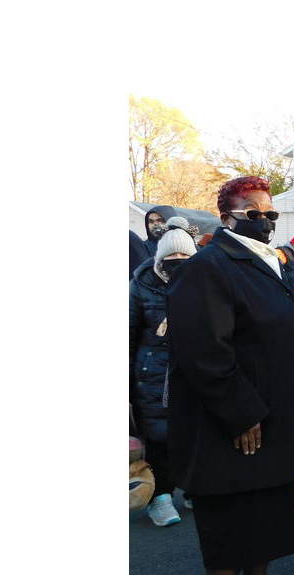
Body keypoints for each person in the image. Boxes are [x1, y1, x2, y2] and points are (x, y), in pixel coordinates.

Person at [166, 176, 294, 575]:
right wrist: (241, 412)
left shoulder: (274, 262)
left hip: (279, 412)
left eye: (270, 213)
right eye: (255, 213)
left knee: (270, 507)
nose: (266, 220)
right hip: (232, 418)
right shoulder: (209, 266)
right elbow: (203, 349)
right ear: (227, 217)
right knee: (230, 515)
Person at [130, 217, 196, 526]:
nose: (178, 262)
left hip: (195, 370)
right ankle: (161, 497)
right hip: (154, 373)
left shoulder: (205, 282)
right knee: (159, 436)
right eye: (172, 256)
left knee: (195, 433)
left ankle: (194, 487)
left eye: (185, 256)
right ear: (160, 258)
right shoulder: (141, 284)